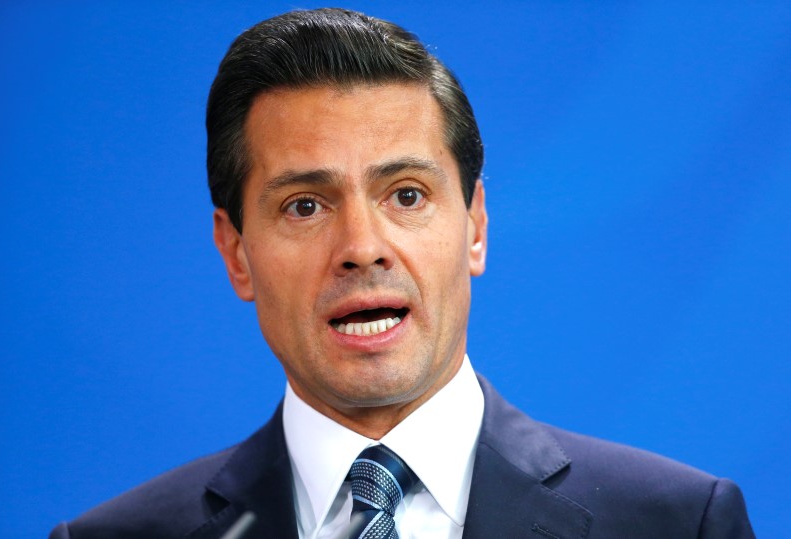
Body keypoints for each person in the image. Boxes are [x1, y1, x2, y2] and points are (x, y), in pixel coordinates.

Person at [50, 8, 755, 539]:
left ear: (475, 225)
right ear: (236, 251)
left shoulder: (676, 521)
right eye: (304, 205)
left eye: (407, 195)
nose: (362, 246)